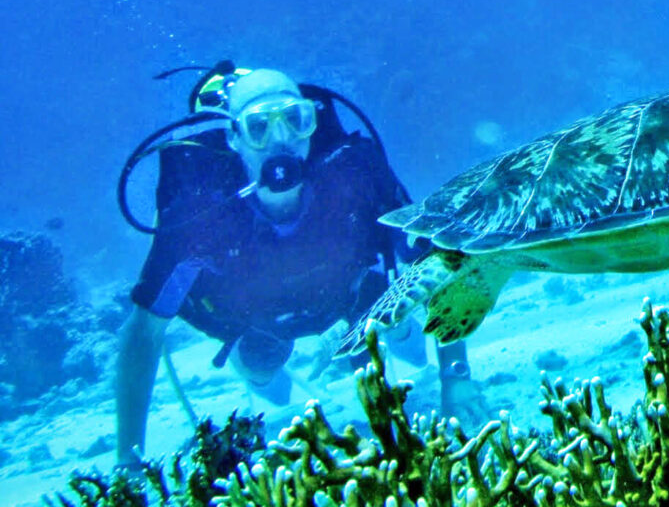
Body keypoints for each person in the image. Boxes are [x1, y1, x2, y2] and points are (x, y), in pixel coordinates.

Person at [114, 65, 488, 467]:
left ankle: (397, 335)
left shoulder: (356, 171)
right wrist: (127, 459)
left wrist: (456, 377)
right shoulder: (199, 214)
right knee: (262, 371)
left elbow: (439, 260)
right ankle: (264, 370)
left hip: (354, 295)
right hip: (258, 321)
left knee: (402, 339)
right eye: (259, 127)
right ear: (234, 138)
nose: (281, 140)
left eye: (296, 120)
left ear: (313, 123)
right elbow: (144, 331)